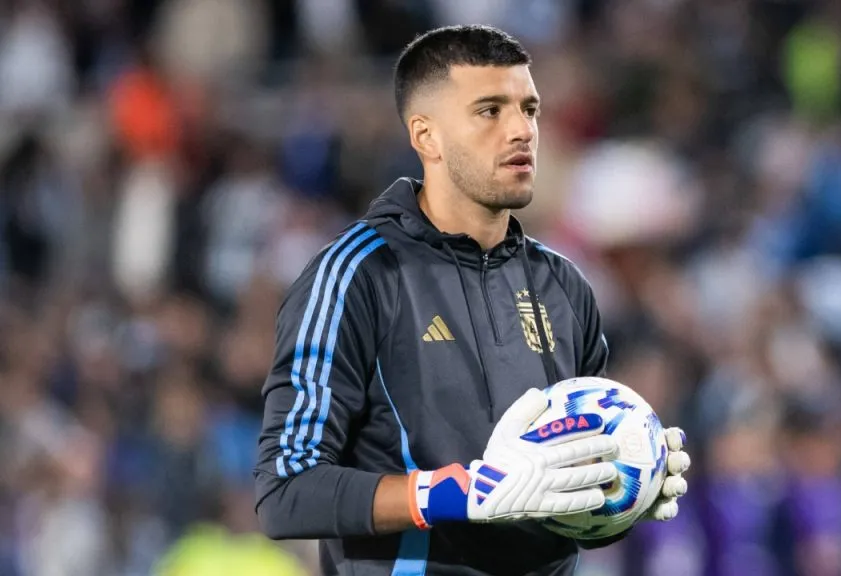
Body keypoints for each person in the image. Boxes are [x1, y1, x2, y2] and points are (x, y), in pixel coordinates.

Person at [253, 24, 691, 576]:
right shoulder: (357, 275)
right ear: (426, 136)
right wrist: (454, 494)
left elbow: (557, 501)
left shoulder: (564, 285)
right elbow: (285, 490)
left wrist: (623, 486)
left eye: (529, 109)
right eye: (490, 111)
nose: (521, 130)